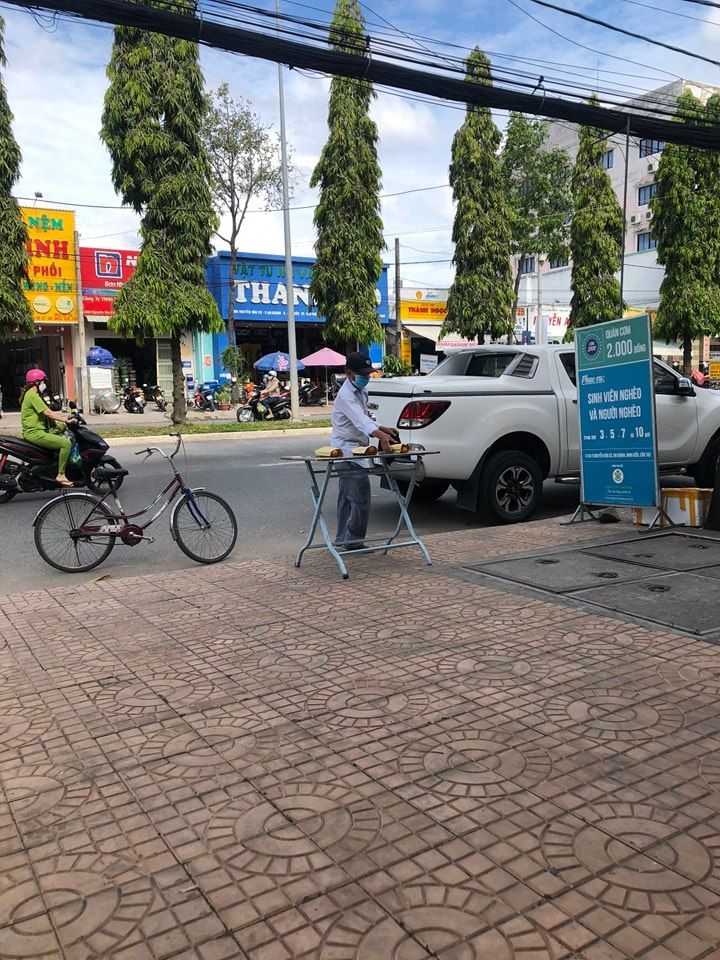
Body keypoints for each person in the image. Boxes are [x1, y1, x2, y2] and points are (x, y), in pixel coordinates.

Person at [331, 352, 399, 550]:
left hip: (358, 450)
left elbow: (365, 417)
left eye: (368, 373)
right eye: (362, 374)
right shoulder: (346, 396)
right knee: (360, 495)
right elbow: (361, 421)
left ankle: (343, 539)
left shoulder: (361, 392)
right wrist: (381, 436)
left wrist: (382, 428)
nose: (366, 377)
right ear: (349, 373)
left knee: (347, 498)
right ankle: (353, 542)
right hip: (346, 451)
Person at [20, 369, 76, 487]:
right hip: (35, 433)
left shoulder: (32, 394)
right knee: (65, 444)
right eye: (43, 381)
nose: (44, 384)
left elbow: (47, 412)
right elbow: (48, 412)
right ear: (36, 382)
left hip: (37, 431)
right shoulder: (32, 396)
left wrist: (60, 422)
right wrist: (66, 420)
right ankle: (61, 475)